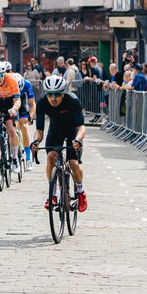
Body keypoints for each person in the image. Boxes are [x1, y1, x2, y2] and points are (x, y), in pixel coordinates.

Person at [31, 74, 88, 212]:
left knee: (74, 163)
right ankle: (53, 194)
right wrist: (36, 141)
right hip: (55, 130)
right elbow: (39, 130)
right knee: (51, 156)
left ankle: (80, 192)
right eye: (50, 94)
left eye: (57, 94)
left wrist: (78, 140)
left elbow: (82, 127)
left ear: (63, 93)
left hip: (72, 132)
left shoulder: (72, 100)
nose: (53, 98)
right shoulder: (42, 103)